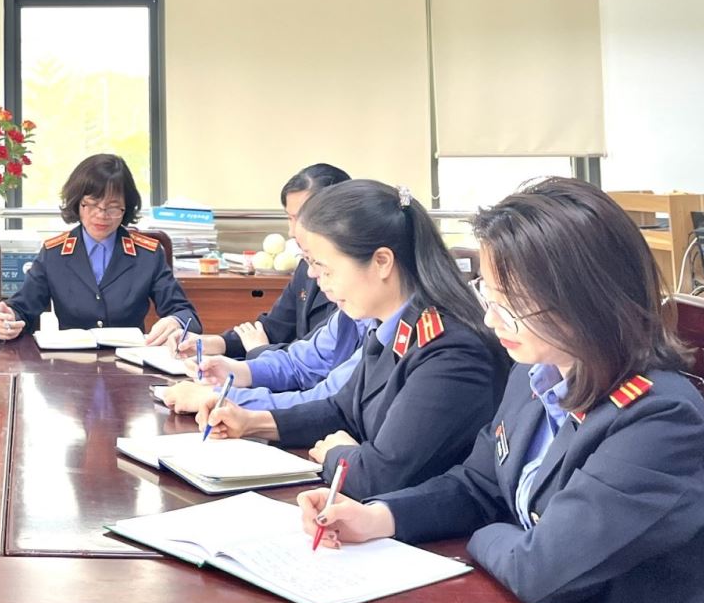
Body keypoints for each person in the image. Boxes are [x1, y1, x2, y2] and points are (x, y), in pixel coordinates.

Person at [301, 179, 704, 603]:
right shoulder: (533, 375)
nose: (490, 319)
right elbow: (476, 486)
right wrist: (378, 517)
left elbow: (539, 570)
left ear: (587, 298)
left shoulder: (659, 419)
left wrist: (487, 532)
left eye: (513, 304)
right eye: (490, 295)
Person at [190, 179, 507, 500]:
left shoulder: (451, 350)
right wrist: (250, 422)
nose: (314, 278)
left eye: (323, 267)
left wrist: (336, 454)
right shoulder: (389, 326)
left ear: (381, 262)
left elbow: (379, 476)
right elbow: (341, 410)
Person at [0, 155, 198, 346]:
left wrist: (176, 321)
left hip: (130, 363)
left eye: (113, 207)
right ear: (77, 203)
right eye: (91, 205)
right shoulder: (54, 253)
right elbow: (22, 308)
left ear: (126, 207)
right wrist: (8, 321)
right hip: (70, 365)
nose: (101, 215)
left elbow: (185, 313)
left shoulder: (147, 254)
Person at [221, 163, 350, 358]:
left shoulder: (353, 279)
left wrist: (260, 350)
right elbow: (274, 327)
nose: (292, 231)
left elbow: (314, 358)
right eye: (289, 218)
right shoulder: (305, 266)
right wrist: (215, 343)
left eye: (301, 219)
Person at [162, 305, 374, 413]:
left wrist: (221, 398)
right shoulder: (350, 312)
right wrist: (239, 371)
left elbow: (328, 402)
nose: (312, 273)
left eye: (321, 264)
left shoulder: (384, 329)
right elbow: (298, 364)